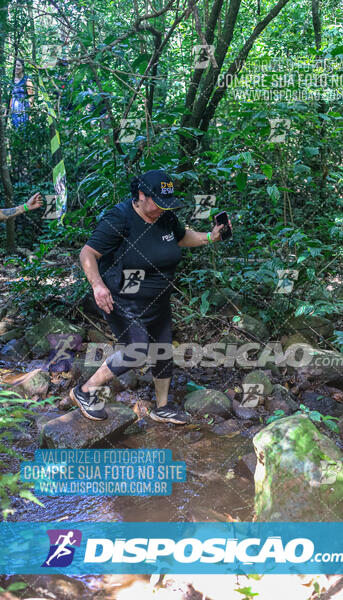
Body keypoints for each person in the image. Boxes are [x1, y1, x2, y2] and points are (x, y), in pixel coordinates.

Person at [72, 169, 232, 424]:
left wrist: (210, 237)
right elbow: (87, 253)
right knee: (136, 351)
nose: (162, 209)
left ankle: (163, 406)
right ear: (141, 195)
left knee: (162, 349)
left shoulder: (165, 216)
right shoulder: (120, 217)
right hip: (123, 297)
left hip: (158, 298)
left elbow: (181, 238)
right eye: (157, 203)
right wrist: (97, 285)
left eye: (165, 204)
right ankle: (85, 390)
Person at [9, 58, 34, 129]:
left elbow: (31, 97)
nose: (16, 67)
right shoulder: (12, 80)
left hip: (23, 109)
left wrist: (30, 113)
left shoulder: (27, 80)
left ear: (23, 67)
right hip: (14, 109)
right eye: (15, 65)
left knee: (23, 128)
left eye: (18, 65)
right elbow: (11, 96)